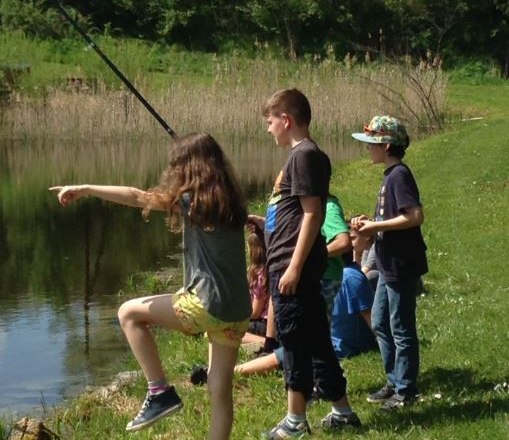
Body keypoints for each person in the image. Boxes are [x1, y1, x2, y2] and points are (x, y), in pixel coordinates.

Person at [50, 133, 252, 440]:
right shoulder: (233, 202)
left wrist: (87, 188)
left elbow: (137, 196)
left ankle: (159, 392)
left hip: (208, 306)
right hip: (238, 310)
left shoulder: (191, 202)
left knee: (128, 313)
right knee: (219, 389)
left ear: (189, 169)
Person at [260, 88, 360, 438]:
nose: (269, 129)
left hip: (292, 268)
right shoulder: (304, 156)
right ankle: (343, 411)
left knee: (295, 343)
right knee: (318, 340)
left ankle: (295, 422)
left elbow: (313, 213)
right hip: (290, 263)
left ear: (286, 120)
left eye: (270, 121)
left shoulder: (303, 156)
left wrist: (294, 267)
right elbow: (294, 212)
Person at [351, 115, 428, 411]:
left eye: (372, 144)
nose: (368, 149)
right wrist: (371, 223)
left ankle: (406, 389)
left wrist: (373, 228)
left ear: (386, 145)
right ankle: (394, 380)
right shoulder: (388, 175)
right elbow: (391, 218)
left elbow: (414, 216)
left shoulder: (399, 175)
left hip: (402, 264)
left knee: (401, 326)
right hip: (386, 263)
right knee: (381, 322)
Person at [243, 232, 270, 343]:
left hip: (264, 323)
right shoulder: (269, 269)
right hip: (268, 322)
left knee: (229, 330)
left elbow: (255, 312)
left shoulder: (259, 274)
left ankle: (264, 342)